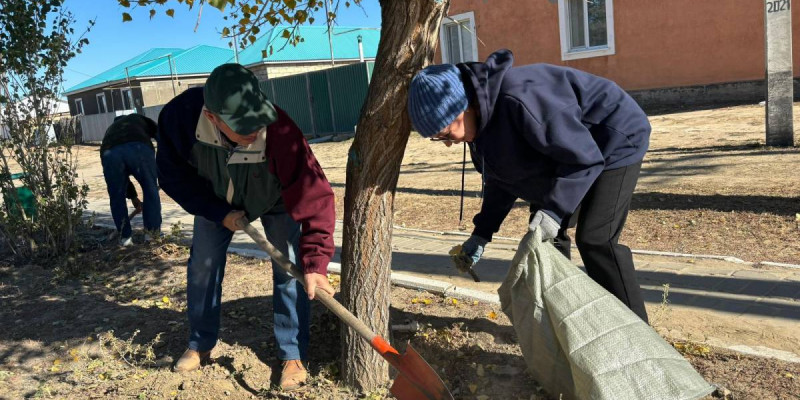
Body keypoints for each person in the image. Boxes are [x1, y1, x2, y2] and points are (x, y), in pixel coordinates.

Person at [407, 49, 651, 322]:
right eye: (439, 138)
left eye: (446, 133)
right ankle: (565, 320)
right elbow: (503, 179)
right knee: (546, 242)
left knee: (596, 239)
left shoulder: (521, 101)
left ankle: (637, 333)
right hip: (561, 152)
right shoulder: (480, 126)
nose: (450, 143)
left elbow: (584, 160)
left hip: (613, 136)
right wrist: (482, 233)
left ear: (464, 107)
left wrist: (553, 211)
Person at [156, 63, 336, 390]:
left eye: (259, 119)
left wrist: (316, 263)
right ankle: (200, 342)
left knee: (290, 268)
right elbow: (173, 177)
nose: (256, 129)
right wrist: (216, 211)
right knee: (203, 266)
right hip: (214, 200)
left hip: (275, 197)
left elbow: (316, 196)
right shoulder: (180, 119)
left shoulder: (280, 130)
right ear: (213, 118)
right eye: (244, 127)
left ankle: (292, 353)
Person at [100, 114, 162, 246]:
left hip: (110, 154)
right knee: (150, 189)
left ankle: (125, 239)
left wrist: (133, 197)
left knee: (116, 197)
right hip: (139, 149)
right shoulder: (137, 118)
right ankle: (151, 236)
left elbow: (122, 181)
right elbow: (161, 134)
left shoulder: (110, 132)